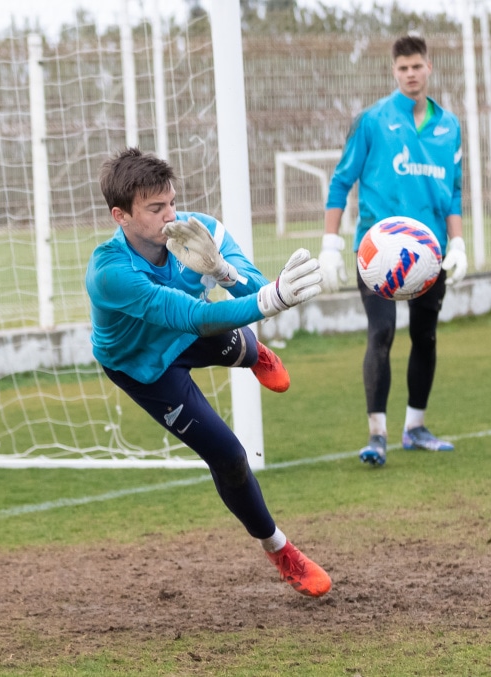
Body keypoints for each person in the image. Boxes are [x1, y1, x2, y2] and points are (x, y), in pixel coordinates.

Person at [86, 147, 331, 597]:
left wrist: (223, 270)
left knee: (232, 335)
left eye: (173, 202)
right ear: (120, 216)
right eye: (156, 209)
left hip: (191, 330)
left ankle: (250, 353)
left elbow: (261, 288)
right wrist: (267, 300)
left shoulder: (202, 232)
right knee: (229, 457)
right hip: (145, 366)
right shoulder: (109, 272)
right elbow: (192, 317)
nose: (171, 215)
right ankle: (280, 550)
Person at [318, 35, 468, 468]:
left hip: (429, 254)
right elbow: (340, 182)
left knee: (426, 335)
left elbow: (454, 193)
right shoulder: (372, 121)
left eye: (417, 66)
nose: (410, 74)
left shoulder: (449, 126)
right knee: (381, 333)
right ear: (393, 71)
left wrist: (457, 242)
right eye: (402, 68)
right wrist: (330, 245)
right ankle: (377, 434)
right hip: (378, 252)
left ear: (429, 68)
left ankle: (415, 427)